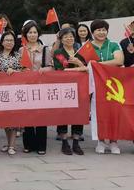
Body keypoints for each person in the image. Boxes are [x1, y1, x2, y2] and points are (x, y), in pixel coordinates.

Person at [90, 19, 125, 154]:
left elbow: (119, 60)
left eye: (104, 29)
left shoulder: (114, 44)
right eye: (98, 30)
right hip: (96, 85)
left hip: (114, 86)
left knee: (114, 113)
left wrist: (98, 64)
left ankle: (114, 142)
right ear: (93, 32)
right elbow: (86, 63)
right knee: (98, 113)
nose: (101, 32)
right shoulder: (88, 46)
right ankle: (101, 141)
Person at [19, 21, 53, 155]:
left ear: (38, 33)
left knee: (41, 116)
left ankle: (41, 145)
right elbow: (19, 67)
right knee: (27, 115)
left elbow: (52, 66)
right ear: (25, 34)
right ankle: (28, 144)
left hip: (41, 87)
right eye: (29, 32)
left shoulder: (45, 49)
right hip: (26, 87)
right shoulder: (22, 50)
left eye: (34, 32)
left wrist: (46, 69)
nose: (32, 35)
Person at [53, 27, 87, 155]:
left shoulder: (80, 52)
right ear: (61, 39)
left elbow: (87, 69)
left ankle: (76, 142)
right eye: (66, 36)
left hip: (79, 88)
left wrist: (78, 63)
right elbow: (60, 71)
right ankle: (64, 142)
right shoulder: (58, 53)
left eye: (71, 36)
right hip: (64, 88)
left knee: (78, 113)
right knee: (64, 114)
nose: (69, 38)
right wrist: (80, 68)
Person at [0, 30, 22, 155]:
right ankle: (8, 143)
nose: (9, 42)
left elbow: (25, 71)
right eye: (6, 40)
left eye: (11, 40)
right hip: (1, 91)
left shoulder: (18, 55)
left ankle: (12, 145)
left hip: (15, 91)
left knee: (14, 118)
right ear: (2, 42)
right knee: (5, 119)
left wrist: (14, 72)